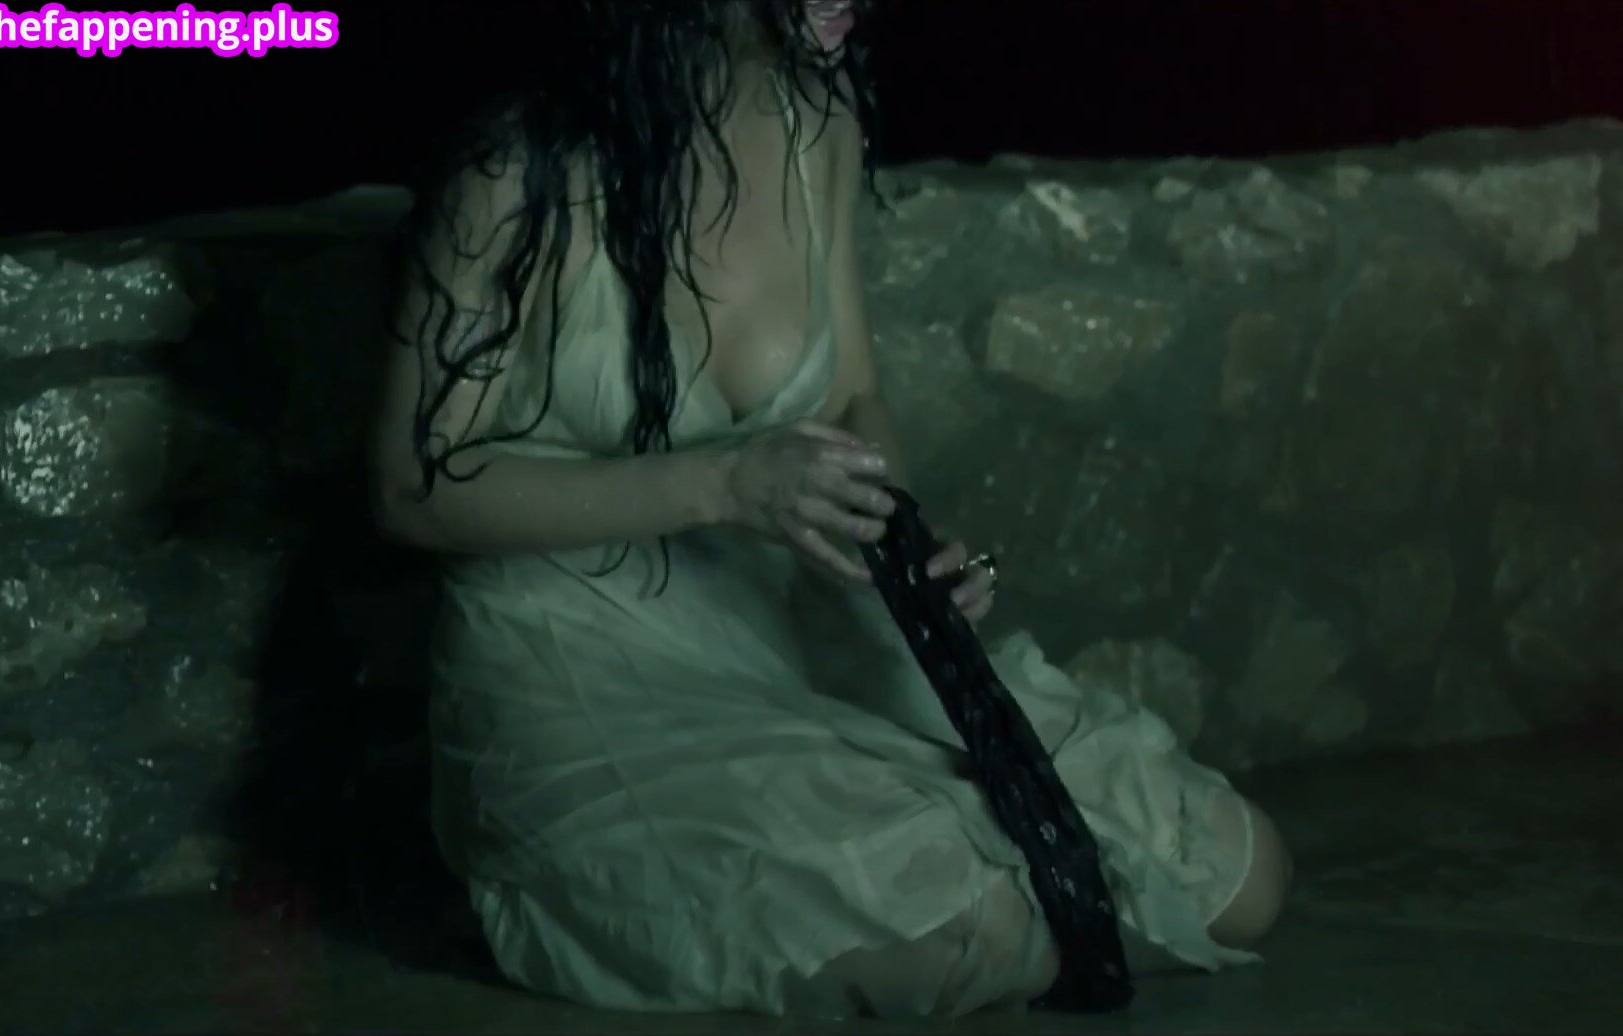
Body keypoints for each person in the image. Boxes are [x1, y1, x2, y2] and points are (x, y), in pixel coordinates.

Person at [366, 0, 1290, 1018]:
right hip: (579, 656)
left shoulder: (821, 118)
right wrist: (725, 481)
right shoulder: (516, 173)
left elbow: (852, 395)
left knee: (1238, 874)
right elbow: (411, 487)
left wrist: (902, 543)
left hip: (790, 620)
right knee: (969, 926)